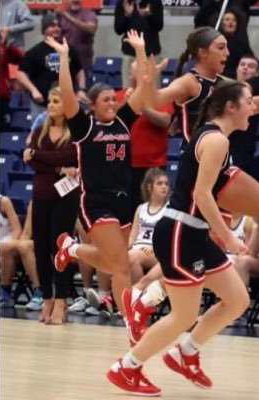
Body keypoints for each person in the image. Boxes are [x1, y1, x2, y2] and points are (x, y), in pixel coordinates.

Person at [107, 80, 259, 396]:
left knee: (237, 300)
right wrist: (228, 237)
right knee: (184, 315)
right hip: (180, 232)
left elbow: (208, 195)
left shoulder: (215, 135)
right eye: (248, 101)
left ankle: (185, 352)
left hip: (194, 232)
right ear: (231, 107)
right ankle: (127, 367)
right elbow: (202, 195)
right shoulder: (216, 141)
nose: (253, 107)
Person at [49, 31, 159, 329]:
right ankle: (130, 322)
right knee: (121, 265)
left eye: (114, 98)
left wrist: (139, 49)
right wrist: (63, 57)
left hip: (124, 198)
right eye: (106, 99)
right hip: (96, 200)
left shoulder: (124, 118)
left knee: (114, 263)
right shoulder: (84, 126)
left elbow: (146, 90)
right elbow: (67, 93)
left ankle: (70, 250)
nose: (113, 102)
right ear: (94, 105)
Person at [155, 27, 259, 148]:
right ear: (203, 53)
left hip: (218, 154)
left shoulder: (222, 82)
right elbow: (151, 100)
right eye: (221, 47)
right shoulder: (188, 82)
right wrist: (146, 78)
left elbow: (252, 104)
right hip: (195, 158)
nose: (228, 53)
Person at [24, 85, 79, 325]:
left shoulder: (75, 133)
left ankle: (61, 299)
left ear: (66, 105)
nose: (50, 105)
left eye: (55, 101)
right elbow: (32, 161)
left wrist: (37, 155)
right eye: (49, 101)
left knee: (61, 250)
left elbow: (68, 157)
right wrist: (57, 168)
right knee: (41, 248)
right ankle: (46, 296)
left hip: (66, 198)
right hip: (42, 194)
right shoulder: (39, 130)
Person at [120, 60, 173, 216]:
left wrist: (141, 106)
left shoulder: (160, 95)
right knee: (128, 211)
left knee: (153, 210)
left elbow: (165, 121)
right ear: (130, 74)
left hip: (153, 165)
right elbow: (109, 120)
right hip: (126, 164)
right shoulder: (119, 95)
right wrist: (126, 103)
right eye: (138, 70)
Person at [17, 12, 87, 118]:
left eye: (58, 26)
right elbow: (21, 73)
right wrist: (33, 90)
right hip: (41, 106)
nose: (57, 28)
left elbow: (79, 71)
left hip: (66, 105)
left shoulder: (68, 50)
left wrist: (81, 90)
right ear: (44, 30)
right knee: (40, 133)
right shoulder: (34, 52)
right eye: (52, 26)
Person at [0, 200, 43, 311]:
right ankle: (5, 293)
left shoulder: (64, 201)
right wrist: (18, 246)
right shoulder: (34, 203)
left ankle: (40, 292)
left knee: (25, 247)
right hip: (35, 244)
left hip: (55, 244)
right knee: (6, 248)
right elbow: (26, 234)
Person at [128, 168, 169, 284]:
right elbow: (132, 236)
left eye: (166, 184)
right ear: (149, 187)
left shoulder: (170, 209)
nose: (164, 187)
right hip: (137, 248)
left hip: (156, 251)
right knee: (121, 257)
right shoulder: (141, 208)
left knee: (133, 257)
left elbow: (170, 238)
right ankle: (107, 295)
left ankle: (136, 297)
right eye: (159, 183)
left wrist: (154, 247)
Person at [114, 0, 164, 88]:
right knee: (128, 91)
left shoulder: (155, 2)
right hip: (130, 54)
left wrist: (149, 16)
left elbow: (159, 25)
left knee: (153, 90)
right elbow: (118, 29)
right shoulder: (124, 2)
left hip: (151, 54)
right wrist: (127, 16)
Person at [56, 0, 98, 84]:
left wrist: (69, 18)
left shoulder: (89, 14)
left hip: (83, 63)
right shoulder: (60, 14)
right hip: (64, 63)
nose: (75, 0)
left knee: (83, 92)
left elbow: (91, 28)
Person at [0, 27, 24, 131]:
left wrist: (7, 42)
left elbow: (19, 57)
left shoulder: (3, 47)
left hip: (1, 97)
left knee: (4, 132)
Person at [218, 9, 253, 79]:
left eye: (234, 20)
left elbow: (251, 59)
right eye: (227, 19)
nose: (230, 22)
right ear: (221, 23)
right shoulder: (216, 43)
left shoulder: (241, 43)